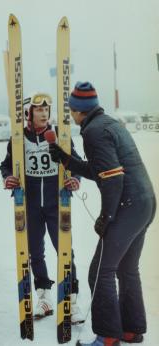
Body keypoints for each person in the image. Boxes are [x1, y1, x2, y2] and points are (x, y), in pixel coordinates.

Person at [48, 82, 156, 346]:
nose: (71, 115)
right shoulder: (110, 123)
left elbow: (113, 179)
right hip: (145, 202)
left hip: (127, 203)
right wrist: (65, 159)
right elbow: (101, 169)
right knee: (127, 268)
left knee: (100, 271)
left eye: (72, 110)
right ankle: (131, 330)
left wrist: (106, 216)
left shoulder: (94, 132)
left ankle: (108, 337)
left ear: (78, 110)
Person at [0, 92, 84, 324]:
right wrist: (8, 178)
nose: (44, 113)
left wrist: (75, 178)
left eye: (47, 109)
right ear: (30, 113)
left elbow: (76, 163)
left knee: (65, 250)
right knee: (35, 252)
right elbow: (6, 165)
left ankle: (71, 300)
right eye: (39, 109)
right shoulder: (18, 138)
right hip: (32, 204)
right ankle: (44, 297)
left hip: (57, 203)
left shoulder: (60, 135)